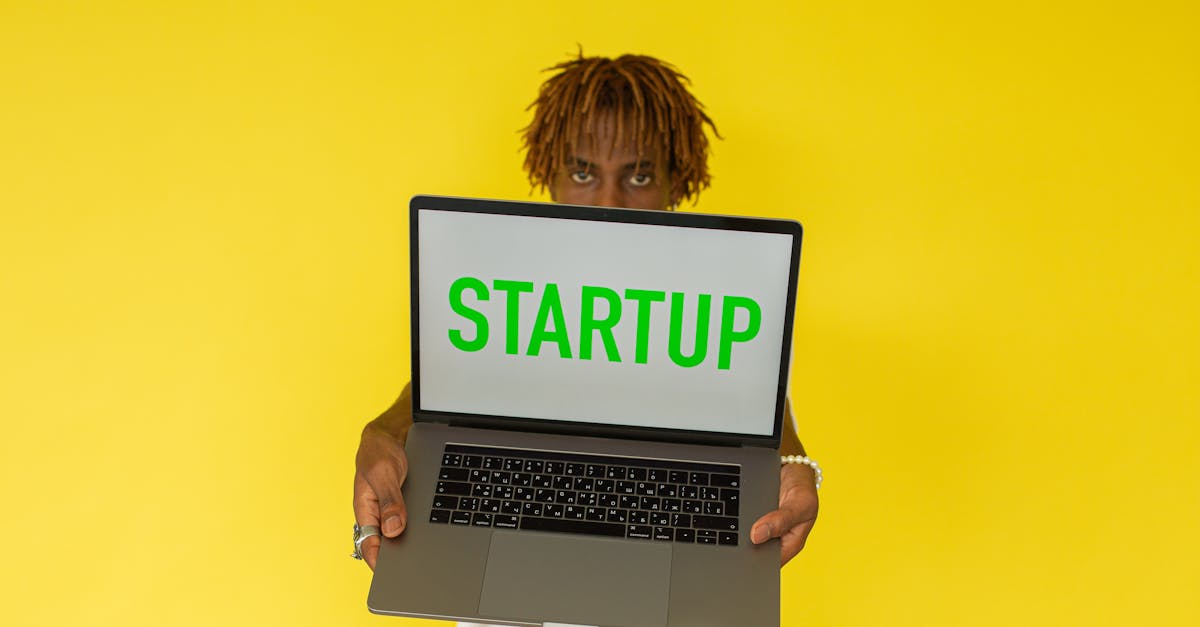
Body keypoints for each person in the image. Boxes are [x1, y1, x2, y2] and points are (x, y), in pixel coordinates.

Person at [352, 53, 820, 574]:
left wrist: (796, 464)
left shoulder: (731, 296)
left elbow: (758, 409)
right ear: (546, 172)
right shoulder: (498, 281)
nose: (608, 203)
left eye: (639, 177)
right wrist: (386, 430)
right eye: (582, 171)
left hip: (661, 529)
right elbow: (451, 378)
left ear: (677, 182)